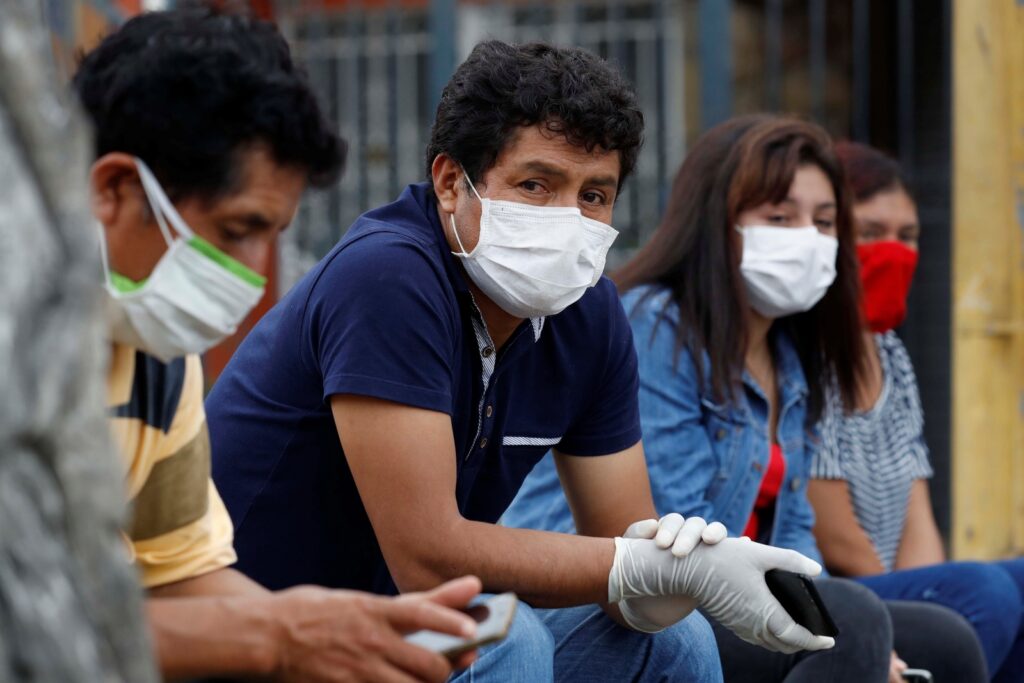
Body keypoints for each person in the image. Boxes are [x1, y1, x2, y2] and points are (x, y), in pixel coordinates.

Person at [206, 41, 838, 682]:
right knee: (508, 641)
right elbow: (428, 559)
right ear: (452, 183)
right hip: (252, 630)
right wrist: (644, 566)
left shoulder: (590, 315)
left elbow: (620, 557)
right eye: (536, 185)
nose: (568, 219)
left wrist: (676, 578)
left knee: (674, 643)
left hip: (402, 615)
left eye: (595, 196)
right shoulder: (388, 275)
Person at [78, 7, 487, 682]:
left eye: (269, 234)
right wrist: (277, 633)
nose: (253, 267)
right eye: (237, 228)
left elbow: (180, 574)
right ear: (116, 188)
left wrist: (347, 631)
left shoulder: (154, 349)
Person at [505, 114, 989, 682]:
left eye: (825, 221)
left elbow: (793, 536)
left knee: (944, 639)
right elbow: (675, 528)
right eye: (780, 218)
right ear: (719, 224)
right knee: (853, 622)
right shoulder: (656, 327)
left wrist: (822, 612)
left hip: (733, 592)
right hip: (628, 602)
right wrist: (837, 629)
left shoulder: (790, 354)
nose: (807, 238)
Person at [807, 140, 1024, 682]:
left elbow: (916, 510)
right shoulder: (806, 354)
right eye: (872, 233)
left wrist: (930, 595)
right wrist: (928, 609)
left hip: (892, 587)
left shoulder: (891, 355)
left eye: (907, 237)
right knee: (985, 590)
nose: (894, 251)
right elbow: (834, 534)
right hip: (836, 595)